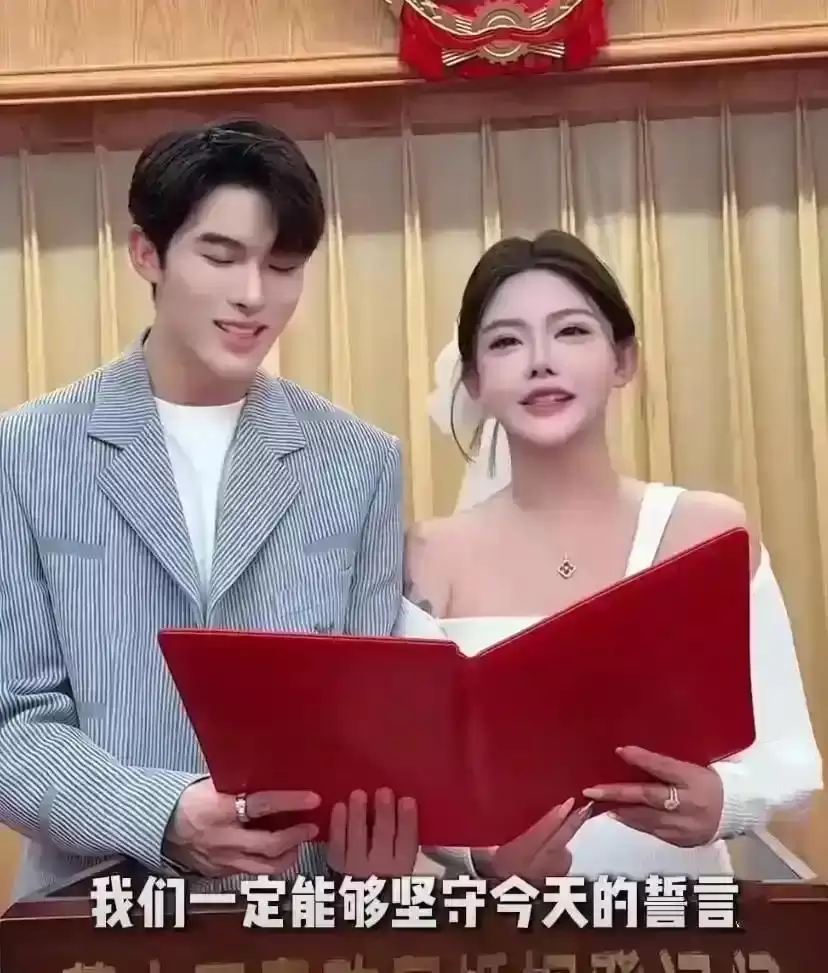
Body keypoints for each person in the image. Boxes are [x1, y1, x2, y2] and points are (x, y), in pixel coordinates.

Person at [0, 118, 417, 901]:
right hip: (97, 909)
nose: (254, 294)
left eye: (282, 265)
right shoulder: (26, 452)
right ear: (147, 254)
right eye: (221, 256)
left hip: (302, 914)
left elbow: (372, 715)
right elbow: (11, 722)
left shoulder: (360, 461)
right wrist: (163, 812)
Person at [405, 230, 823, 879]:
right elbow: (416, 783)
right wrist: (483, 855)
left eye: (571, 331)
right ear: (475, 380)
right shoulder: (428, 557)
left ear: (622, 358)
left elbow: (789, 759)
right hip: (507, 924)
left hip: (682, 914)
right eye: (507, 341)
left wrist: (723, 803)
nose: (540, 361)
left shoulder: (707, 531)